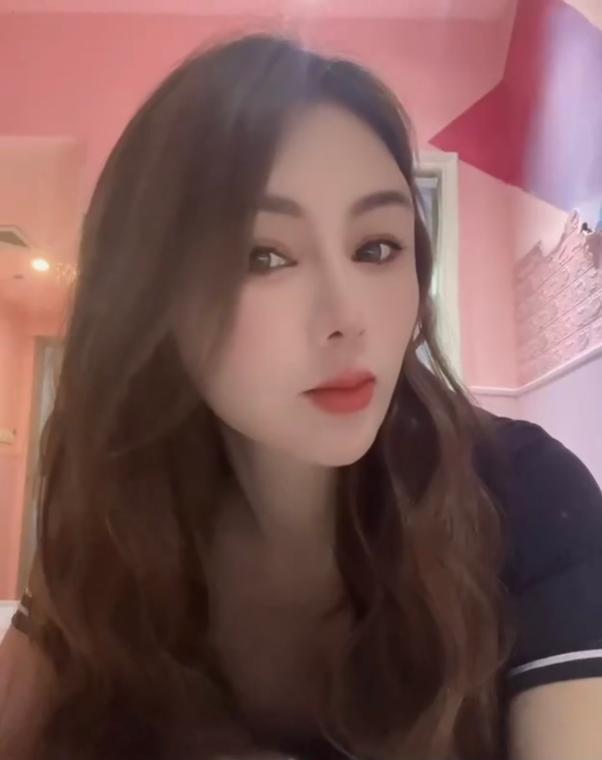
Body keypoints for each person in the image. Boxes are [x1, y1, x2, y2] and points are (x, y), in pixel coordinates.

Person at [1, 32, 601, 760]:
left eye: (377, 247)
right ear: (152, 294)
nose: (348, 316)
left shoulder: (523, 494)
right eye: (265, 256)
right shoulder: (115, 514)